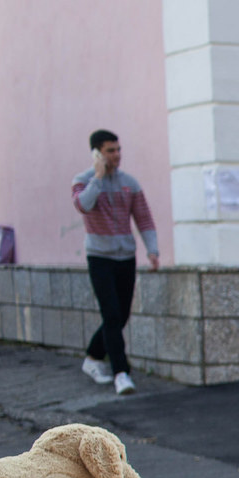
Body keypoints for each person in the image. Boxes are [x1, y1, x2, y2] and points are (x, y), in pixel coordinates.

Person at [71, 130, 159, 396]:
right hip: (100, 257)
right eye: (110, 151)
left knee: (121, 316)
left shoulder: (129, 183)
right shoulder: (83, 181)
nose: (117, 155)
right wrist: (97, 177)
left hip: (125, 256)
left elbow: (143, 218)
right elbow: (83, 205)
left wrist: (152, 250)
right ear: (97, 153)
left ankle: (93, 358)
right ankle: (121, 373)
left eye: (118, 149)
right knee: (111, 314)